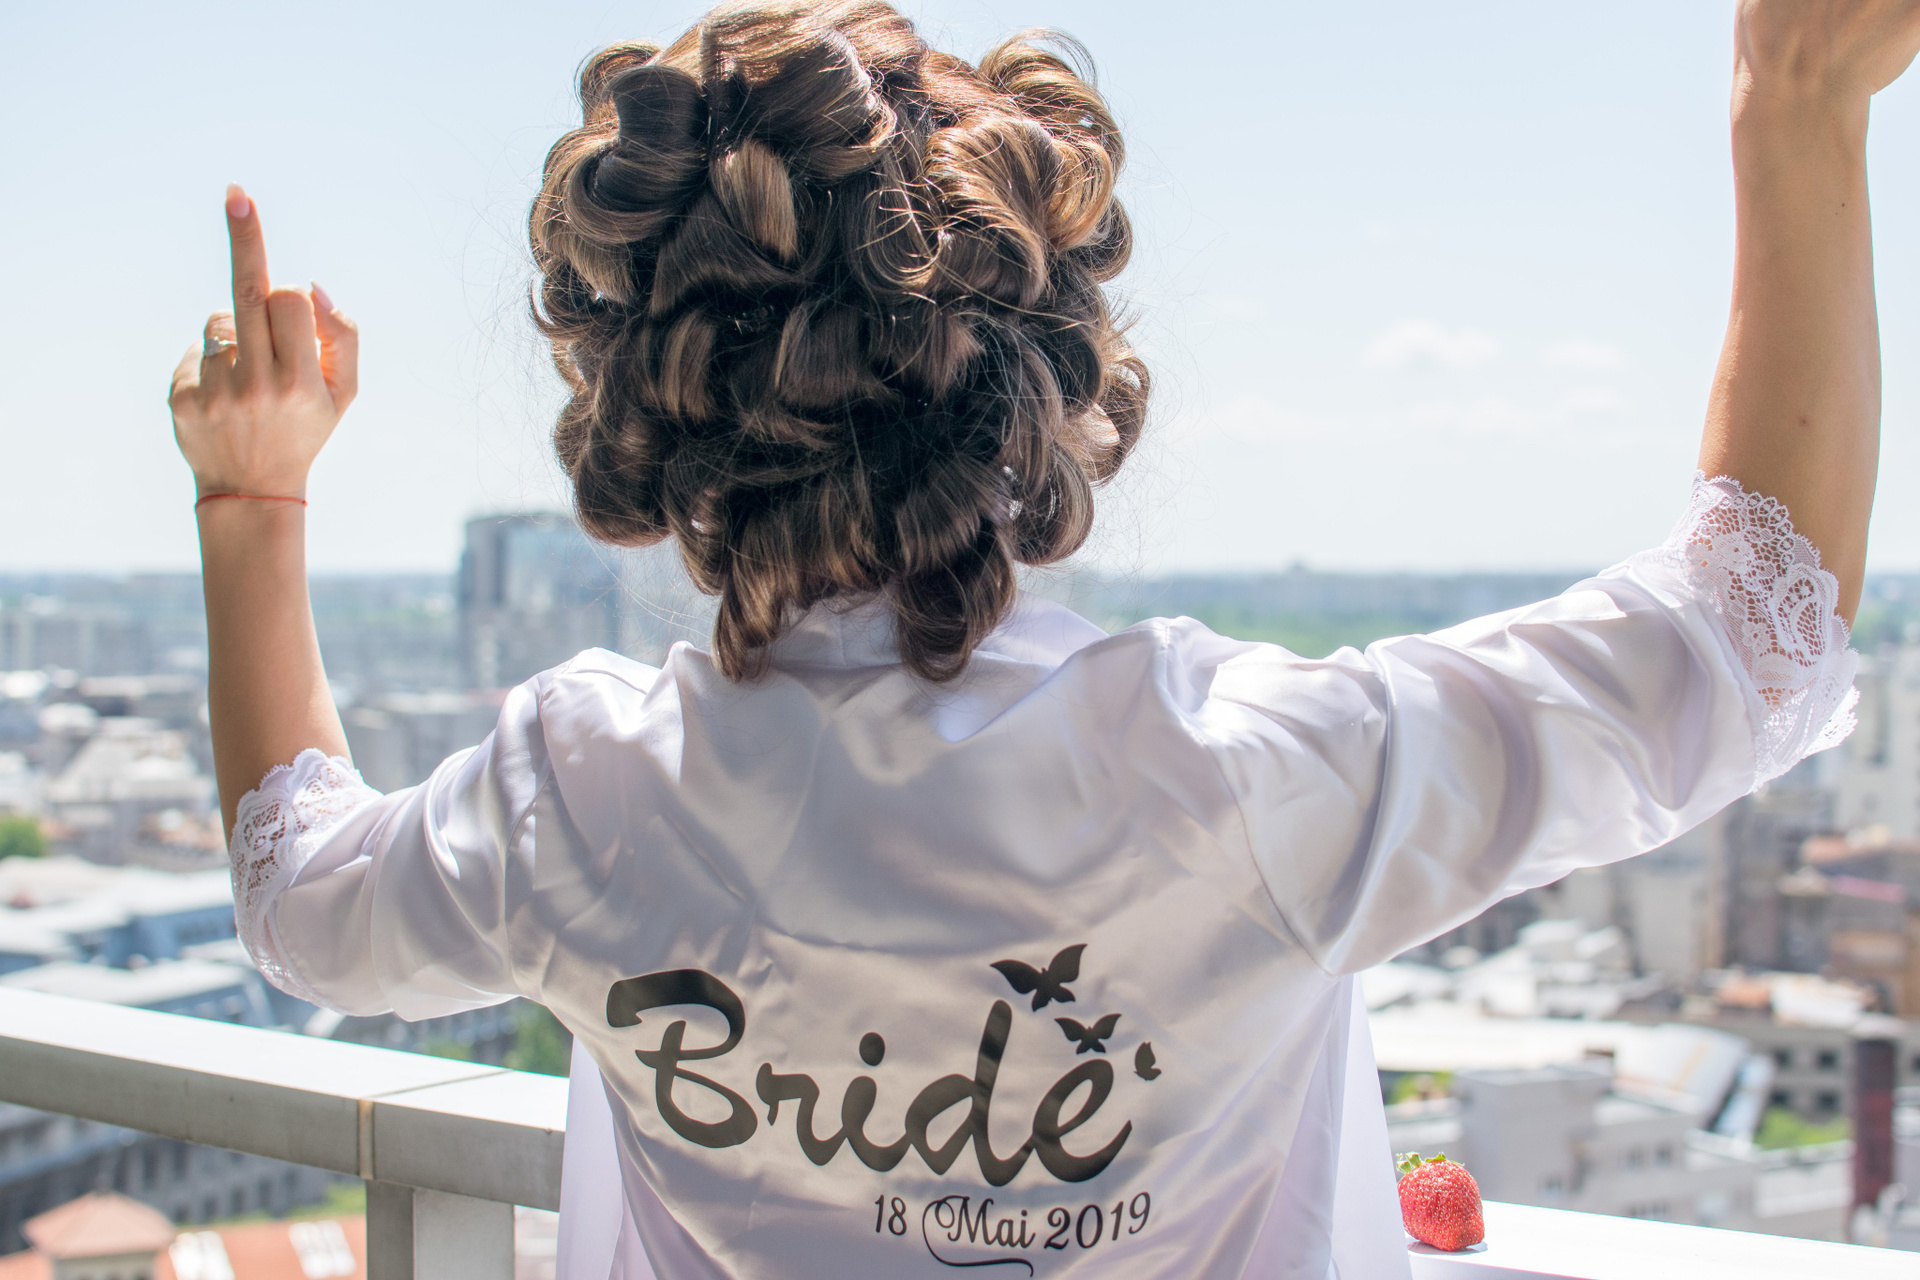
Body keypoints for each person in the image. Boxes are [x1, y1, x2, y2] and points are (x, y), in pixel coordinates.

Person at [165, 2, 1917, 1276]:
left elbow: (299, 899)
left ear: (662, 412)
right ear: (1040, 385)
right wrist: (1796, 103)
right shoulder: (1234, 777)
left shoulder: (583, 798)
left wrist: (253, 500)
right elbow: (1749, 636)